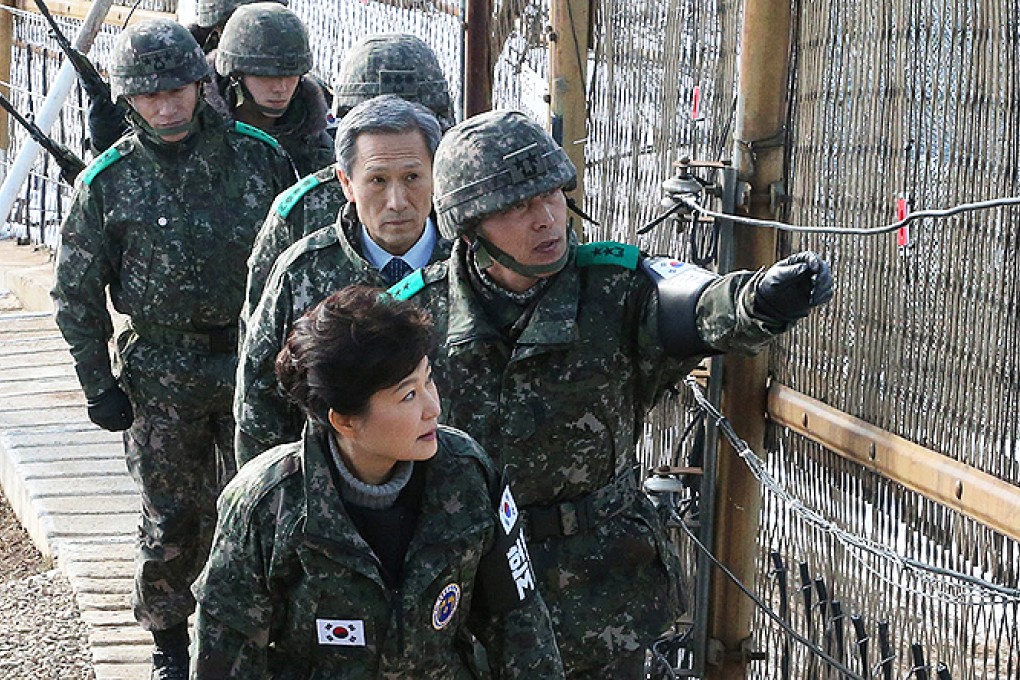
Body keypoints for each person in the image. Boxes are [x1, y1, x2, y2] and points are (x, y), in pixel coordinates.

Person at [389, 110, 834, 678]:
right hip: (464, 587)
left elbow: (694, 309)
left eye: (552, 196)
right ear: (471, 225)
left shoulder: (613, 290)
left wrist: (763, 300)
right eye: (518, 207)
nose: (547, 218)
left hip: (597, 589)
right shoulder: (413, 316)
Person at [50, 18, 295, 680]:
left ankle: (262, 636)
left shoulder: (260, 158)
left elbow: (297, 265)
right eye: (148, 96)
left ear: (200, 85)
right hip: (161, 370)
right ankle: (167, 642)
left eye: (176, 91)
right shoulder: (107, 182)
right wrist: (97, 381)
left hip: (254, 363)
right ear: (128, 102)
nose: (165, 106)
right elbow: (76, 293)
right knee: (172, 518)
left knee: (265, 502)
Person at [192, 286, 565, 679]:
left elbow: (520, 628)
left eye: (428, 382)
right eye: (407, 396)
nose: (433, 408)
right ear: (345, 421)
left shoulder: (466, 473)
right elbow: (225, 656)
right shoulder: (267, 505)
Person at [234, 95, 453, 468]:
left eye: (413, 177)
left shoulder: (470, 264)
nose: (397, 200)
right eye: (377, 181)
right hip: (334, 493)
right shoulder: (303, 272)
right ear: (347, 183)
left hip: (452, 491)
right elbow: (259, 404)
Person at [244, 32, 456, 309]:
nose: (397, 201)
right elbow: (263, 320)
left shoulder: (464, 201)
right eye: (377, 179)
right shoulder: (301, 210)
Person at [82, 0, 287, 154]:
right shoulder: (163, 72)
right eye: (240, 29)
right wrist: (105, 142)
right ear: (215, 30)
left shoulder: (302, 97)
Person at [208, 2, 333, 177]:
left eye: (290, 75)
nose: (281, 88)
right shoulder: (199, 134)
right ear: (236, 74)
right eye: (267, 76)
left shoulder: (315, 144)